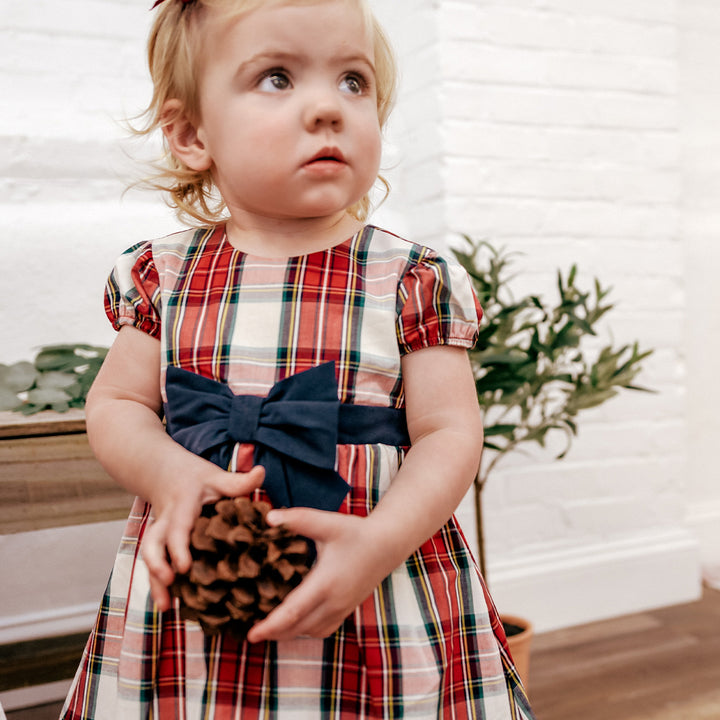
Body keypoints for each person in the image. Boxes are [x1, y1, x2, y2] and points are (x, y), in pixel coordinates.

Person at [62, 0, 536, 717]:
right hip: (199, 604)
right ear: (191, 133)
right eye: (278, 77)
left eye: (354, 81)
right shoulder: (165, 275)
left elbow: (451, 431)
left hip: (377, 589)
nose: (329, 109)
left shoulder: (408, 277)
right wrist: (167, 471)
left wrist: (379, 543)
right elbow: (116, 404)